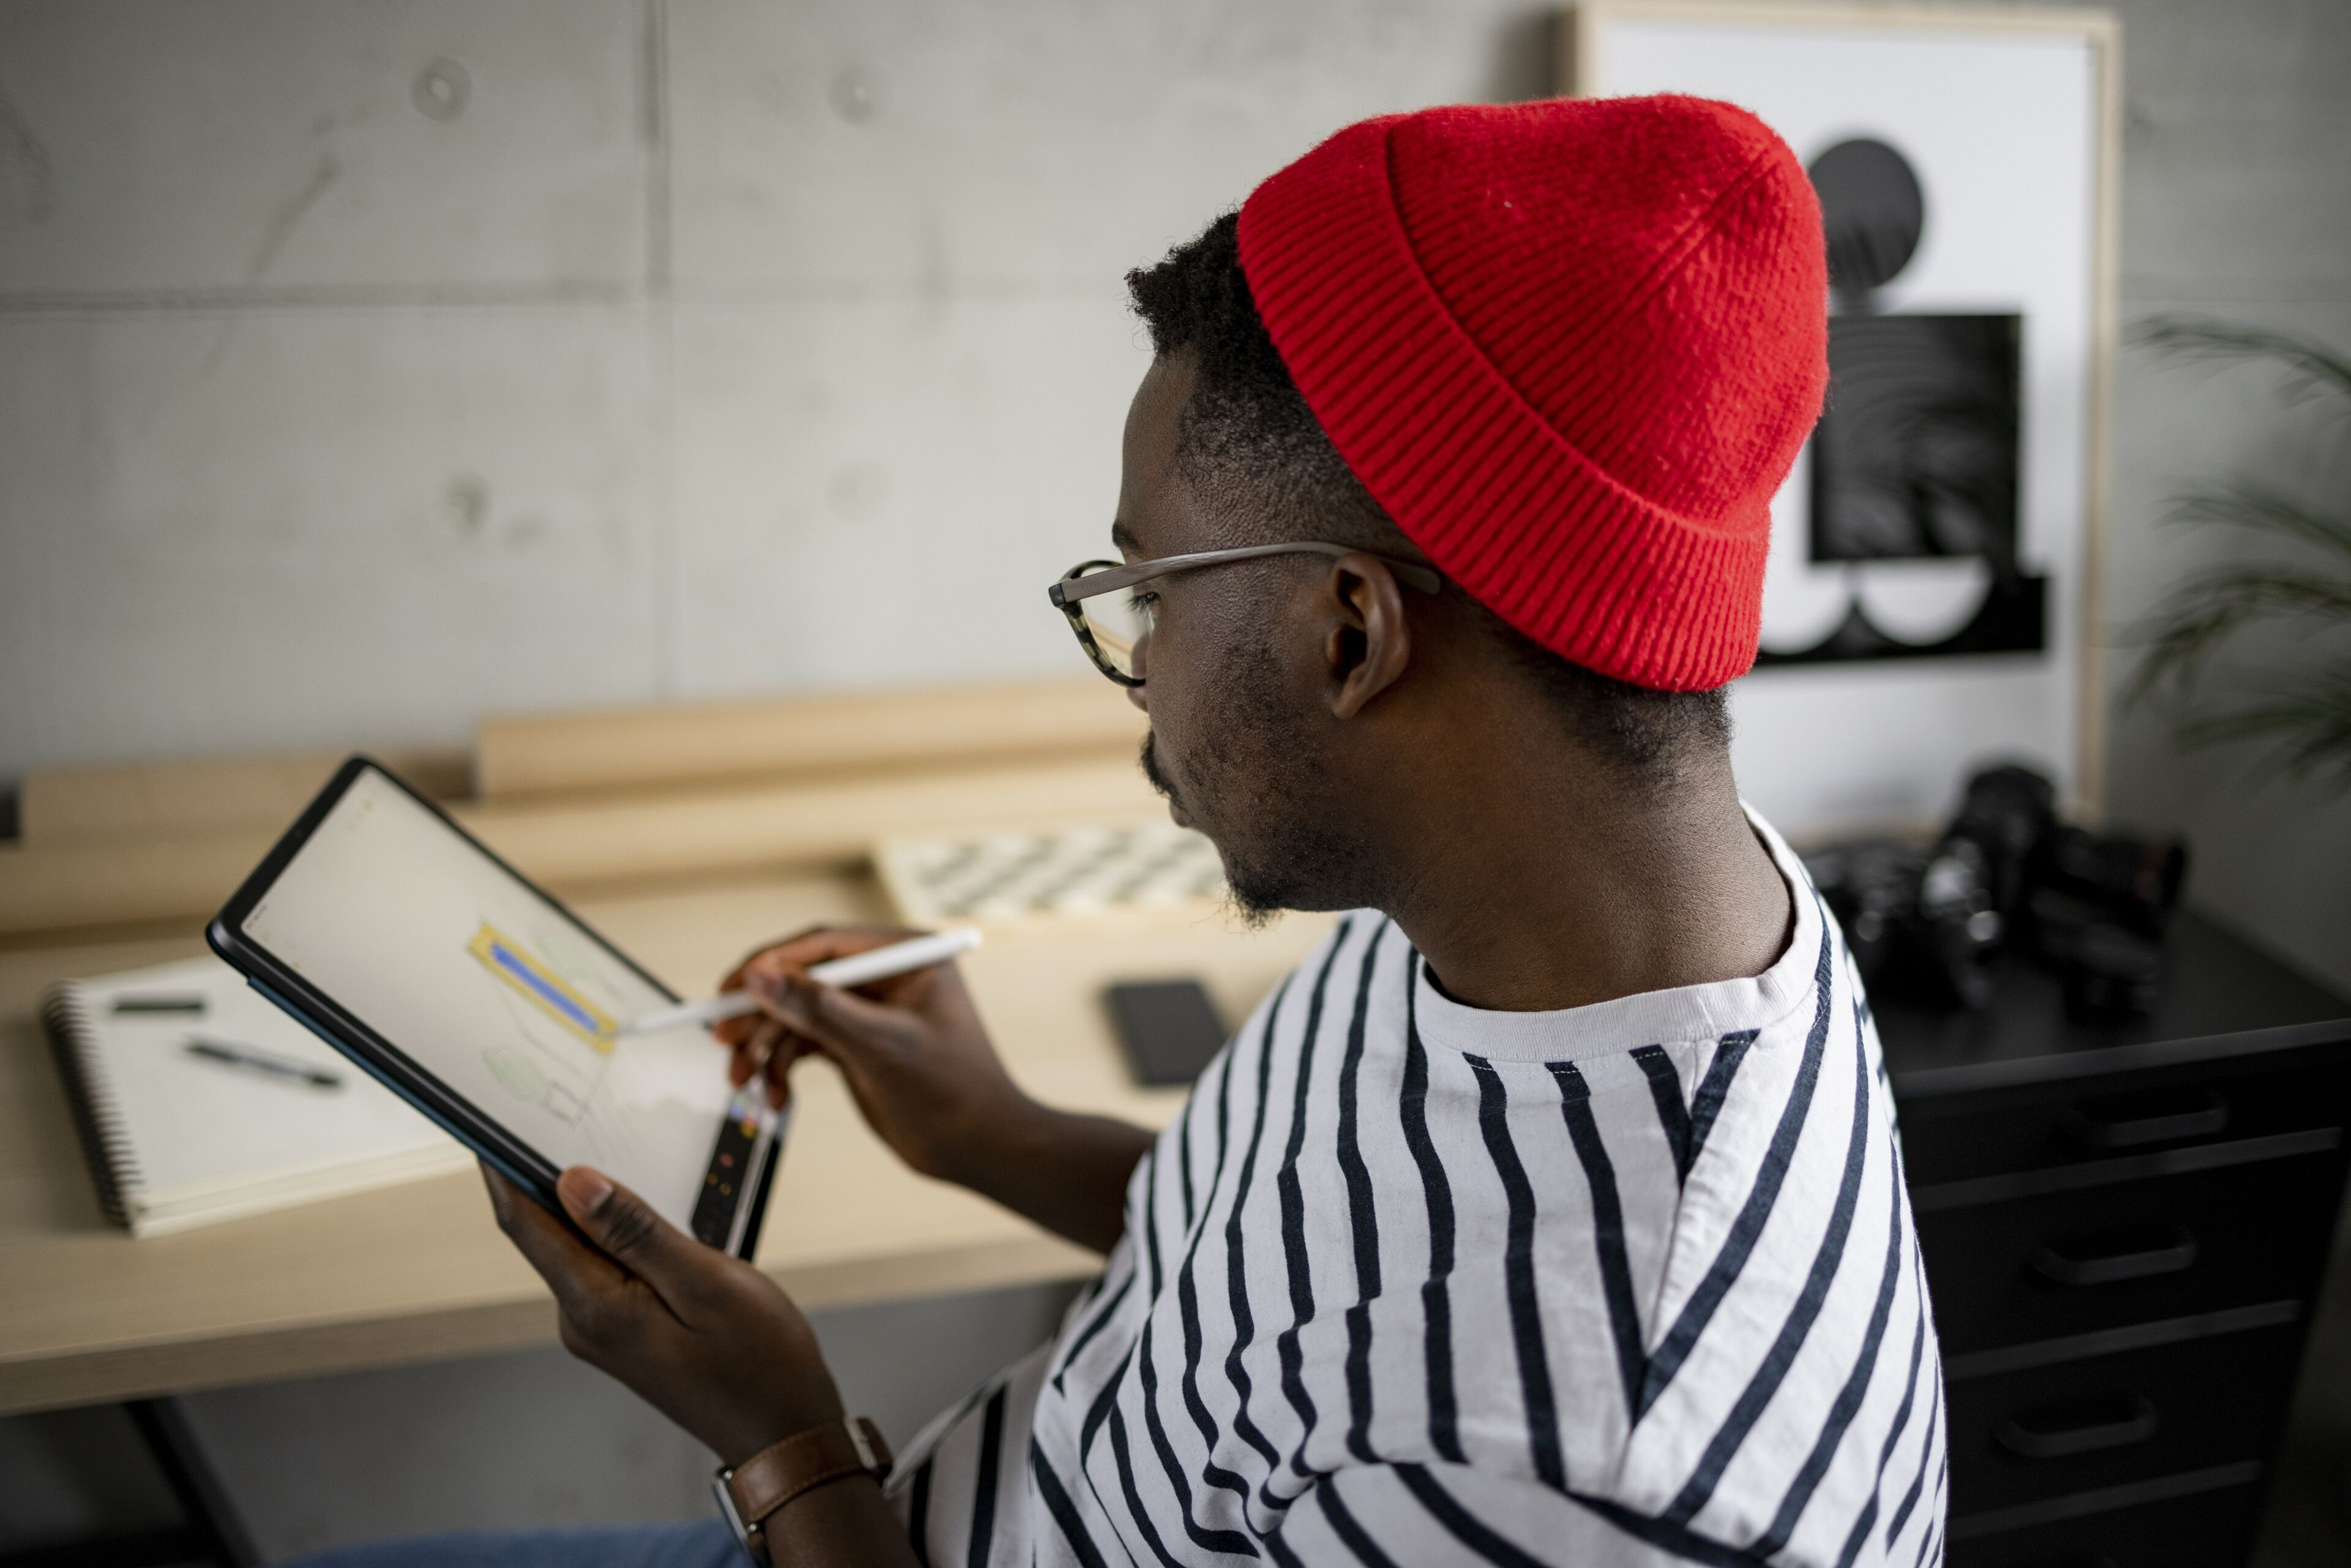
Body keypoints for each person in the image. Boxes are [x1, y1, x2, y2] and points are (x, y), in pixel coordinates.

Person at [303, 94, 1944, 1568]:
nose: (1134, 663)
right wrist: (993, 1133)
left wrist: (781, 1438)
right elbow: (1310, 1287)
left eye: (1145, 591)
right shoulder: (1578, 902)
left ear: (1350, 635)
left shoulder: (1579, 1482)